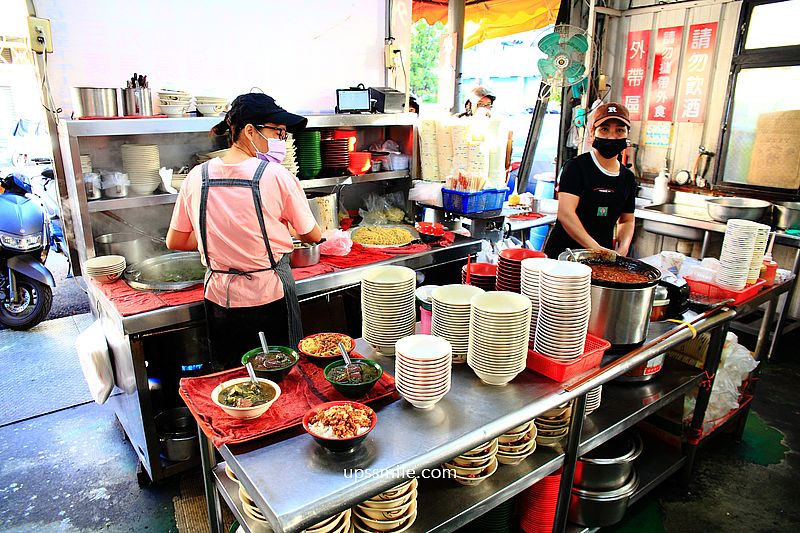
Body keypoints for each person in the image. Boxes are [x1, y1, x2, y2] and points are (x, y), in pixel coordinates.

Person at [166, 92, 322, 370]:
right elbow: (311, 235)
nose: (281, 141)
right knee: (280, 377)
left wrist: (215, 240)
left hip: (219, 300)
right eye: (278, 132)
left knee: (232, 379)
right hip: (269, 296)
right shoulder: (275, 175)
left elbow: (175, 240)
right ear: (250, 130)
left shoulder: (196, 177)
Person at [543, 102, 637, 258]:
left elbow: (627, 220)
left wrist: (623, 248)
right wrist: (596, 249)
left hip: (601, 260)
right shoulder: (576, 167)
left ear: (627, 134)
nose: (612, 136)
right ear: (593, 132)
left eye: (619, 130)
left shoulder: (627, 177)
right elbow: (566, 214)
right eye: (604, 129)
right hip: (564, 256)